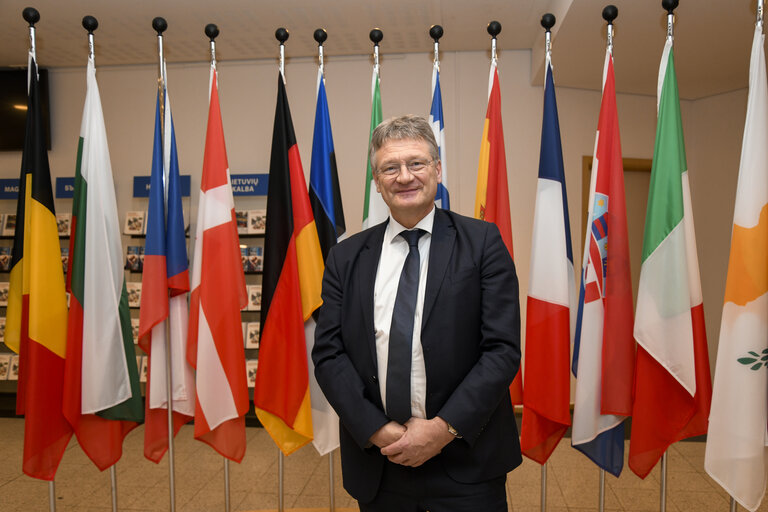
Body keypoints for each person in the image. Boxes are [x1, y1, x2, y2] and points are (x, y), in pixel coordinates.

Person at [313, 115, 522, 511]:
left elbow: (501, 350)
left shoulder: (482, 244)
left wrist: (443, 430)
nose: (404, 176)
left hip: (467, 462)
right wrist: (377, 430)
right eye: (390, 167)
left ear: (437, 170)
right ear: (377, 181)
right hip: (380, 463)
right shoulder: (345, 257)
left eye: (417, 163)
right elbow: (329, 354)